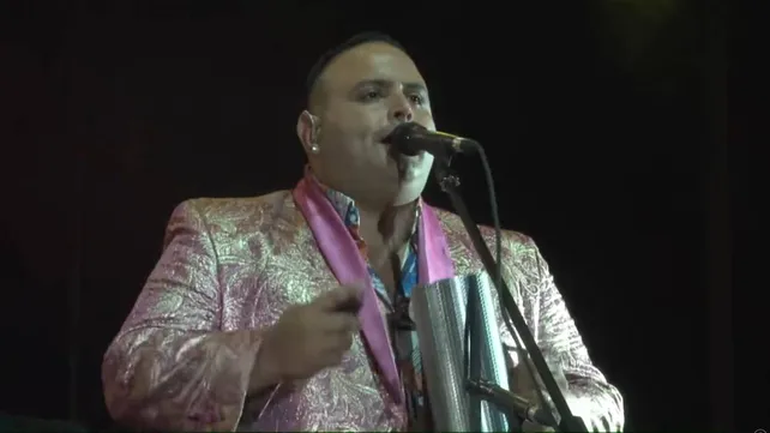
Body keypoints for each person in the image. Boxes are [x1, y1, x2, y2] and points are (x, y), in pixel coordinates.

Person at [102, 32, 624, 432]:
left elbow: (603, 400)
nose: (404, 109)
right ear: (312, 133)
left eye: (417, 97)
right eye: (373, 94)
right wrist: (263, 356)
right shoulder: (223, 234)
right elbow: (128, 375)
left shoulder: (509, 256)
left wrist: (553, 404)